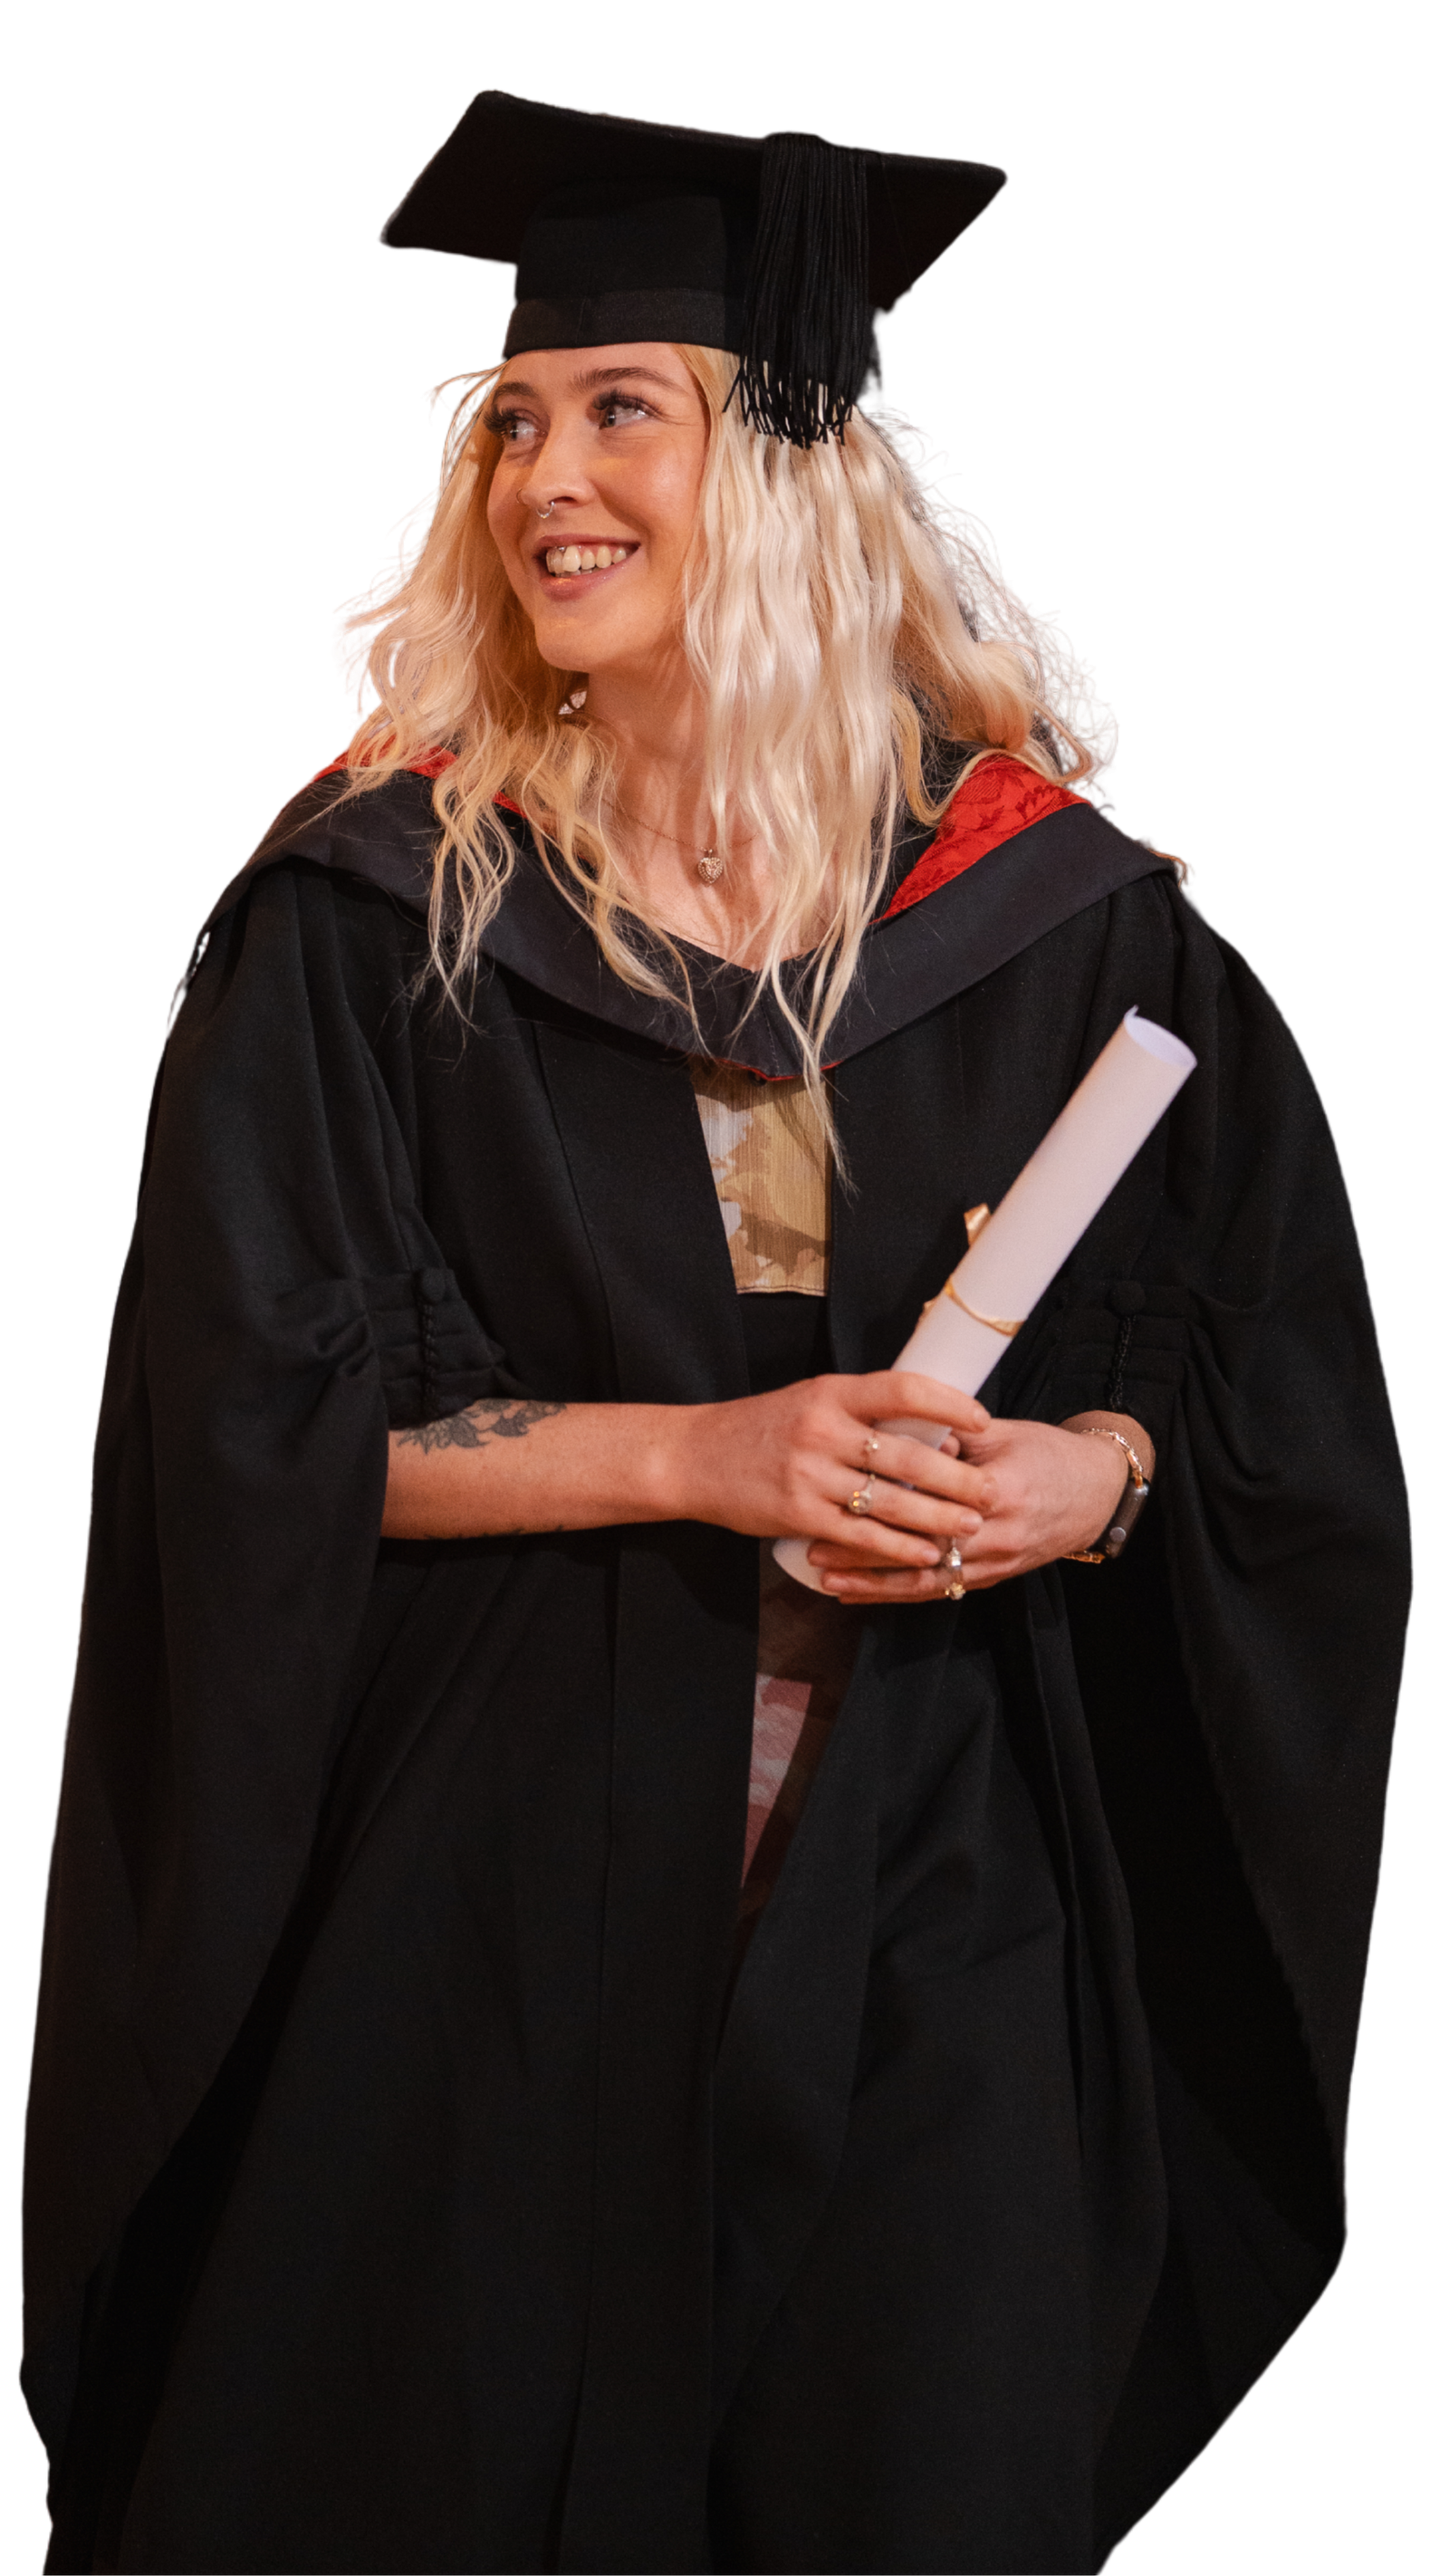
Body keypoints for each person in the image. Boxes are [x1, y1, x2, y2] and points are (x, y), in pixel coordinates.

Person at [24, 91, 1407, 2576]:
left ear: (788, 466)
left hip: (940, 1869)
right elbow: (258, 1422)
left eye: (617, 408)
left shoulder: (1069, 922)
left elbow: (1256, 1381)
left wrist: (1082, 1476)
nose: (546, 472)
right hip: (506, 1860)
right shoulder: (375, 917)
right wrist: (715, 1457)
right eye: (512, 424)